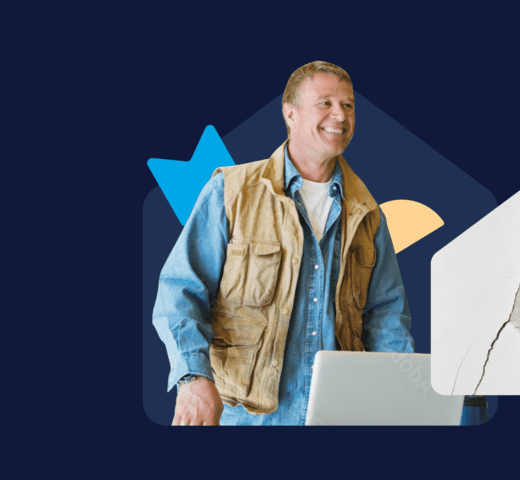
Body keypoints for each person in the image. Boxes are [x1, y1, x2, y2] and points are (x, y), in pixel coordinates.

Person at [152, 61, 414, 425]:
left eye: (349, 105)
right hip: (245, 419)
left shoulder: (367, 212)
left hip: (337, 417)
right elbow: (180, 292)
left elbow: (386, 317)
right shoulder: (232, 193)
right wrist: (193, 378)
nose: (340, 115)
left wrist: (401, 399)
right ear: (289, 113)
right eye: (325, 103)